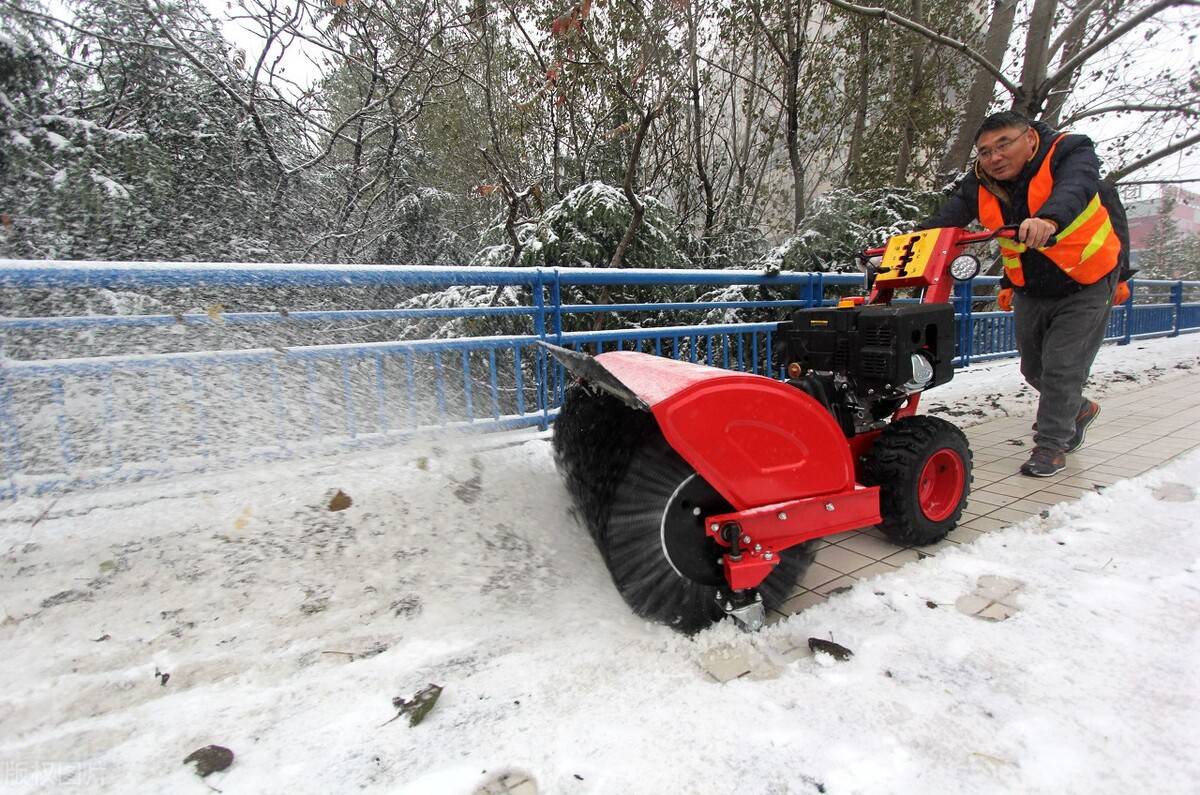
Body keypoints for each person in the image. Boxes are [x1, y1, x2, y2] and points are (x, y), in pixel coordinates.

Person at [921, 111, 1132, 477]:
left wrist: (1049, 220)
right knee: (1033, 366)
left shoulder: (1070, 152)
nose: (994, 157)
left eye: (1004, 144)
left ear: (1030, 138)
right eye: (985, 152)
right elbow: (948, 217)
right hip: (1032, 286)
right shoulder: (981, 180)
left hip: (1088, 278)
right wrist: (906, 242)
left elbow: (1075, 190)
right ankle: (1078, 408)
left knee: (1062, 366)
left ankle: (1052, 445)